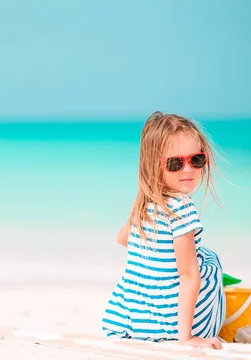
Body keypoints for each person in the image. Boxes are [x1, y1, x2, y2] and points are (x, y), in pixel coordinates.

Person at [101, 111, 225, 350]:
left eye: (196, 160)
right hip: (172, 325)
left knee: (194, 257)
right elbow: (188, 275)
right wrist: (186, 338)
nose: (187, 170)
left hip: (133, 321)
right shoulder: (182, 209)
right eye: (175, 163)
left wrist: (157, 258)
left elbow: (122, 238)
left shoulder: (143, 204)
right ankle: (196, 328)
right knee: (210, 261)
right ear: (154, 166)